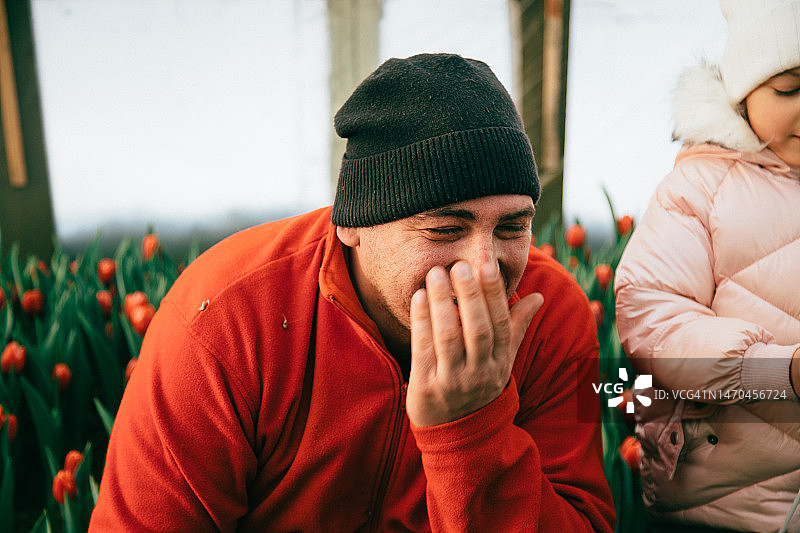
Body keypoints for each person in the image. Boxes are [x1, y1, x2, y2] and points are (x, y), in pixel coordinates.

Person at [89, 53, 615, 532]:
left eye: (511, 228)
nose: (485, 269)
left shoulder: (552, 313)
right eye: (444, 230)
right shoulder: (227, 317)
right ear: (353, 224)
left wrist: (473, 432)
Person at [614, 0, 800, 531]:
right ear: (743, 93)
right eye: (789, 88)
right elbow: (654, 318)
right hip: (725, 504)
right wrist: (778, 370)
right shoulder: (699, 189)